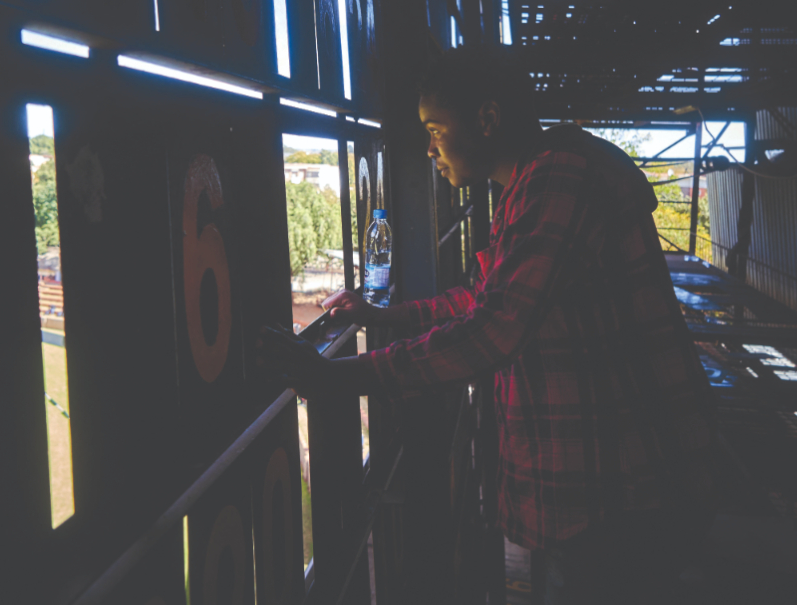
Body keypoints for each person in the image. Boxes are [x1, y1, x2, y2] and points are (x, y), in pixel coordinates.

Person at [257, 50, 719, 603]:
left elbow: (495, 328)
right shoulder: (531, 183)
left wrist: (338, 377)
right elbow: (484, 297)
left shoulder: (559, 178)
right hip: (612, 483)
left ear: (488, 120)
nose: (429, 148)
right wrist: (384, 316)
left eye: (435, 129)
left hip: (628, 486)